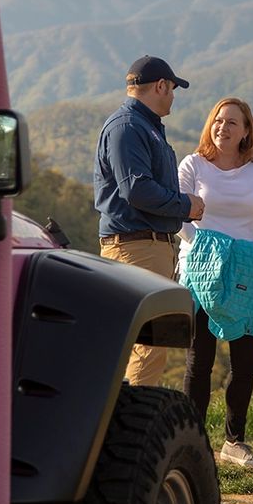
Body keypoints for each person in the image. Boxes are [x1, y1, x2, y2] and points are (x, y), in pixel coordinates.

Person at [178, 98, 253, 468]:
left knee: (245, 362)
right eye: (218, 120)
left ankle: (234, 441)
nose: (223, 127)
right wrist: (210, 251)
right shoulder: (193, 165)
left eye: (232, 122)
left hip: (245, 277)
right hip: (200, 274)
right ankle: (192, 442)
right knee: (200, 361)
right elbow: (178, 216)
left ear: (246, 130)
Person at [95, 55, 205, 386]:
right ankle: (133, 419)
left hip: (146, 246)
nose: (172, 96)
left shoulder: (141, 126)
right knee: (147, 346)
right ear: (160, 86)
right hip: (137, 247)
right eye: (172, 89)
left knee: (147, 345)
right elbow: (137, 190)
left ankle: (126, 412)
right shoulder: (128, 127)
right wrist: (185, 206)